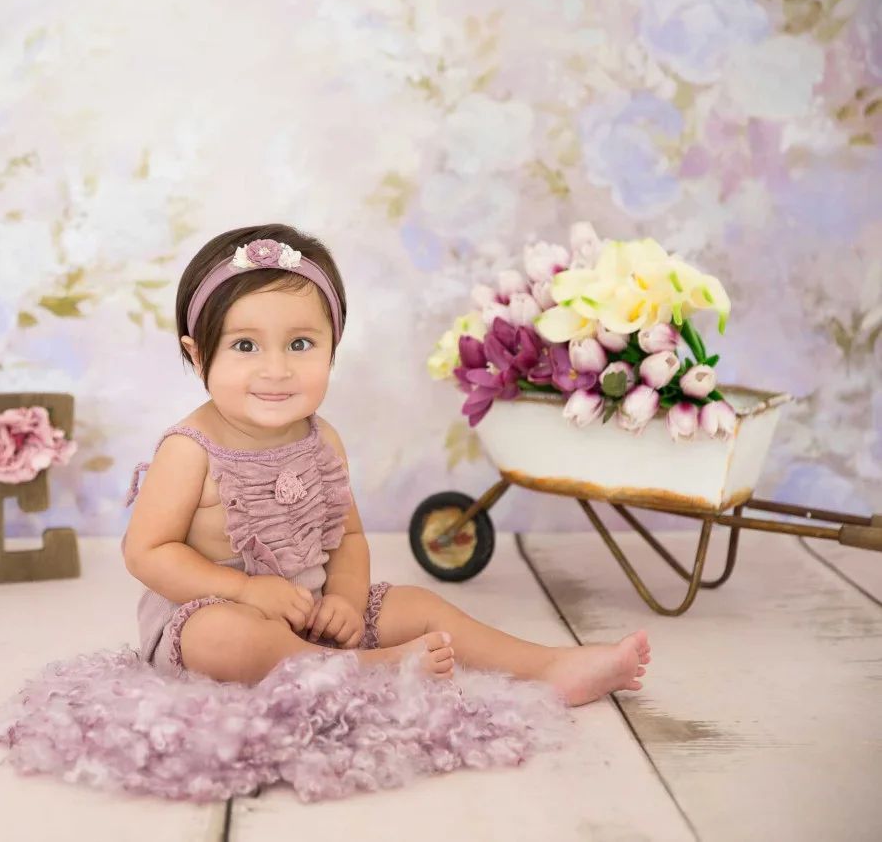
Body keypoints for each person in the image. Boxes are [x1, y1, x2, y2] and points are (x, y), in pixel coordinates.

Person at [120, 224, 650, 706]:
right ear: (196, 353)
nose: (276, 369)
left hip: (312, 607)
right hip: (210, 614)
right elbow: (147, 551)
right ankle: (366, 670)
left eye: (300, 344)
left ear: (333, 348)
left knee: (419, 605)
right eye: (245, 346)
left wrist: (347, 602)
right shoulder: (190, 449)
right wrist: (244, 591)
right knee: (228, 639)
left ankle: (549, 667)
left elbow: (347, 539)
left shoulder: (321, 439)